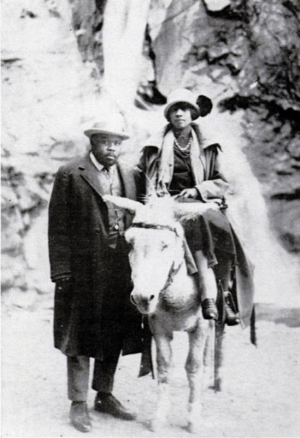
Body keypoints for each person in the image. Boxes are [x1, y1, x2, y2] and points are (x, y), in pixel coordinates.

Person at [48, 114, 144, 433]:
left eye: (117, 142)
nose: (112, 148)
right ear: (93, 141)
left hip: (121, 268)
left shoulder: (132, 175)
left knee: (113, 330)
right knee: (78, 334)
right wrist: (62, 269)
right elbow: (58, 226)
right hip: (83, 269)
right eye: (106, 141)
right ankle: (78, 403)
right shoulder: (70, 173)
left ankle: (104, 394)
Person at [137, 88, 254, 327]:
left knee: (217, 228)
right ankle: (141, 302)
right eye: (174, 110)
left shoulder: (208, 145)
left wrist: (198, 190)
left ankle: (222, 295)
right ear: (168, 116)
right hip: (165, 205)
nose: (179, 113)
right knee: (142, 239)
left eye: (184, 109)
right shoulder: (154, 146)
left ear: (193, 114)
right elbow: (143, 178)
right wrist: (155, 201)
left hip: (202, 203)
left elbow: (223, 182)